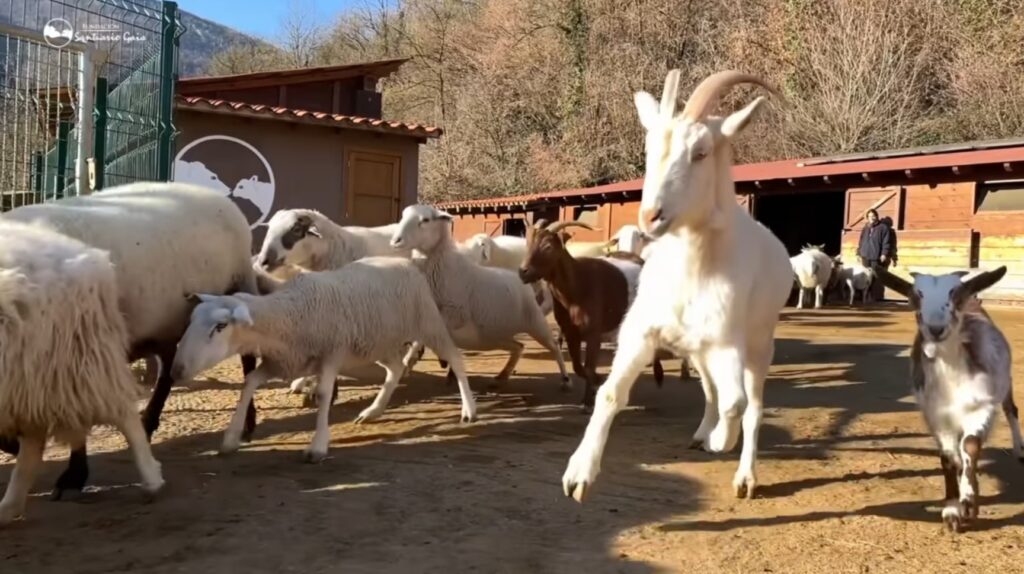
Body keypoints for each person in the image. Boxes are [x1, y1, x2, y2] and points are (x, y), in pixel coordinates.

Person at [857, 208, 894, 301]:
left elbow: (886, 242)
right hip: (865, 255)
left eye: (873, 216)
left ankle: (873, 296)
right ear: (867, 218)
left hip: (875, 256)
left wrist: (884, 254)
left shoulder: (883, 228)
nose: (871, 218)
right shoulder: (865, 227)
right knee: (865, 275)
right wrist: (858, 252)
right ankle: (864, 296)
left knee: (874, 276)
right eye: (869, 216)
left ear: (876, 216)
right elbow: (861, 241)